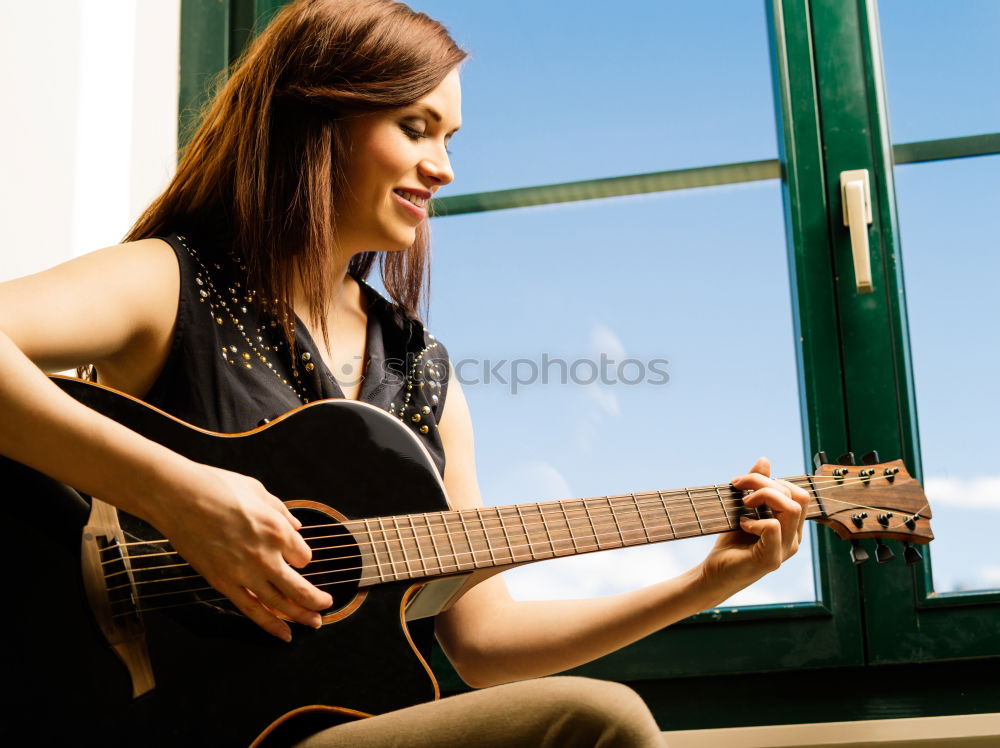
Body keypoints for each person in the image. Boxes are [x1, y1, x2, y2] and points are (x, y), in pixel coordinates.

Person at [0, 1, 809, 745]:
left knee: (597, 715)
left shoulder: (421, 372)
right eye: (416, 127)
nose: (445, 167)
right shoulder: (171, 282)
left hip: (303, 730)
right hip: (127, 717)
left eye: (450, 139)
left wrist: (702, 583)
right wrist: (175, 494)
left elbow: (484, 643)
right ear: (315, 123)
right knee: (604, 721)